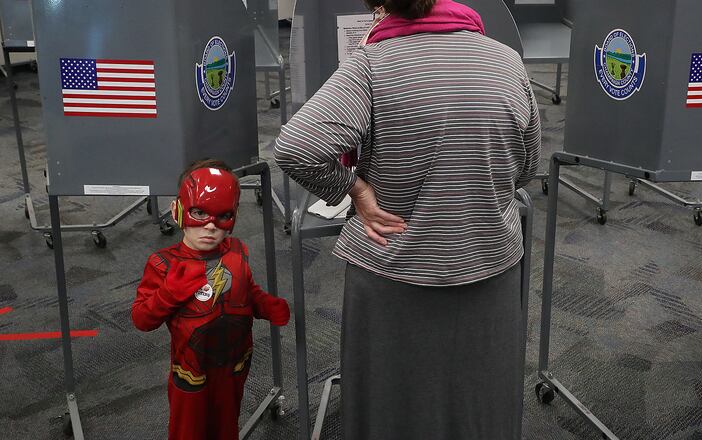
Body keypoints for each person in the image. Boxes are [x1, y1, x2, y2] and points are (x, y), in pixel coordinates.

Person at [275, 0, 541, 438]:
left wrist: (355, 190)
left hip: (393, 271)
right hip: (489, 265)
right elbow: (526, 166)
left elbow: (295, 148)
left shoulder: (371, 64)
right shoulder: (506, 60)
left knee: (394, 410)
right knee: (481, 405)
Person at [131, 159, 291, 440]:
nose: (210, 227)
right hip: (192, 373)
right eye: (199, 213)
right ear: (178, 211)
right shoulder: (163, 264)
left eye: (222, 216)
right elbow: (142, 319)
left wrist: (265, 305)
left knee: (226, 426)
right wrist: (169, 292)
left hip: (234, 366)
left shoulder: (236, 250)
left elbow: (245, 291)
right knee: (188, 433)